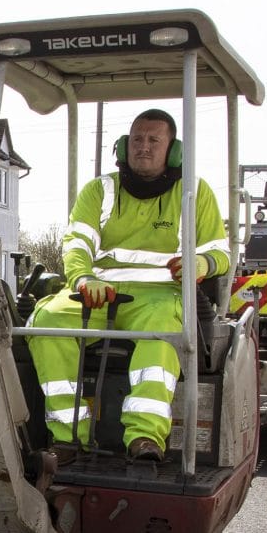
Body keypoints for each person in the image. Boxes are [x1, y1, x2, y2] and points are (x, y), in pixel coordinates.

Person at [26, 108, 229, 462]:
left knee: (163, 332)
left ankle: (144, 438)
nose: (143, 146)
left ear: (173, 150)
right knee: (47, 319)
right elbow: (77, 244)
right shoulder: (99, 190)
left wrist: (201, 263)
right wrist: (84, 278)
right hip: (99, 293)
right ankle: (69, 438)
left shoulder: (194, 192)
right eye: (136, 139)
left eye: (153, 140)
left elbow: (219, 253)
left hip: (160, 297)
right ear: (123, 146)